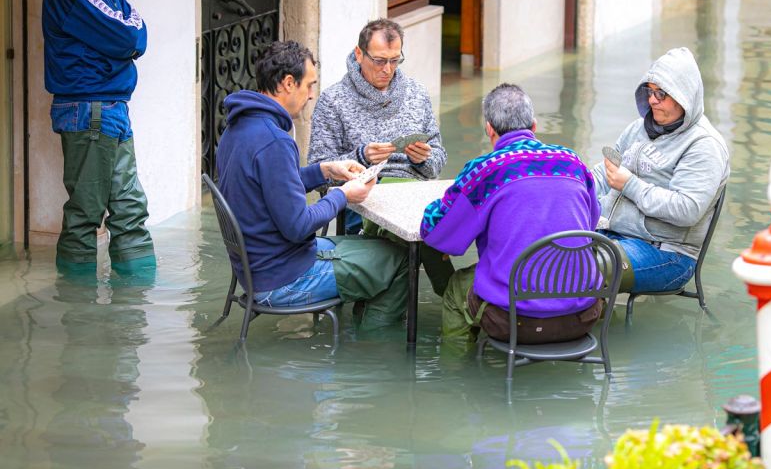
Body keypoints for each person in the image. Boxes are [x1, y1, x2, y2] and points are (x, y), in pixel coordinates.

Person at [216, 40, 408, 329]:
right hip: (283, 280)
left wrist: (324, 170)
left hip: (259, 267)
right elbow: (297, 225)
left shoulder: (238, 126)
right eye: (309, 85)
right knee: (400, 257)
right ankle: (371, 351)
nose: (311, 95)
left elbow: (271, 187)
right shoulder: (274, 141)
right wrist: (344, 195)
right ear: (288, 83)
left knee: (378, 247)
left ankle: (359, 325)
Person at [420, 84, 604, 344]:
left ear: (489, 129)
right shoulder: (573, 162)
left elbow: (439, 234)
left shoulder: (484, 171)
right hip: (583, 314)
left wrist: (433, 206)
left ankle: (458, 379)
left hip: (514, 321)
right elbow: (591, 223)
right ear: (534, 125)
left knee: (456, 290)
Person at [42, 0, 153, 268]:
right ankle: (79, 310)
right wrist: (122, 47)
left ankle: (133, 308)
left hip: (108, 108)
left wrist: (123, 45)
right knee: (86, 215)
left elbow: (138, 32)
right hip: (90, 110)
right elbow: (128, 39)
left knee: (130, 208)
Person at [307, 18, 453, 295]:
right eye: (379, 60)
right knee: (429, 222)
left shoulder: (416, 93)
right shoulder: (333, 100)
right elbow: (317, 172)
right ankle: (451, 292)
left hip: (413, 192)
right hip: (360, 200)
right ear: (359, 54)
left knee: (437, 214)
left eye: (395, 60)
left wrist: (423, 158)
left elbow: (438, 161)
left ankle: (393, 313)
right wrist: (360, 156)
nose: (387, 69)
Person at [594, 47, 729, 296]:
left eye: (662, 94)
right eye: (650, 91)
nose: (652, 100)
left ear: (684, 97)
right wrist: (570, 182)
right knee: (550, 247)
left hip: (668, 254)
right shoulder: (638, 129)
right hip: (612, 232)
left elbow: (686, 209)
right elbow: (604, 174)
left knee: (588, 267)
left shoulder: (704, 145)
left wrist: (630, 185)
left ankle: (583, 326)